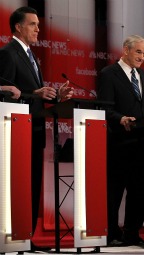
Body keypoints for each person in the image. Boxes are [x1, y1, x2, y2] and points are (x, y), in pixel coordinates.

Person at [0, 6, 74, 251]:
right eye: (32, 24)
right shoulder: (8, 54)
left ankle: (25, 236)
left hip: (35, 131)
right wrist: (35, 93)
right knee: (17, 186)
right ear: (18, 27)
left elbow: (33, 95)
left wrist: (56, 96)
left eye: (38, 25)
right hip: (16, 134)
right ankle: (12, 236)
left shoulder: (32, 56)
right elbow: (7, 94)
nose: (38, 29)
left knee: (31, 187)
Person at [97, 35, 144, 247]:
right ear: (126, 50)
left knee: (138, 191)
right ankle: (111, 233)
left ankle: (132, 233)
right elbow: (105, 107)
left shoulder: (142, 75)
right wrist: (120, 119)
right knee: (115, 191)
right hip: (119, 142)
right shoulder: (108, 74)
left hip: (140, 140)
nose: (142, 57)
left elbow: (142, 108)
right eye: (138, 52)